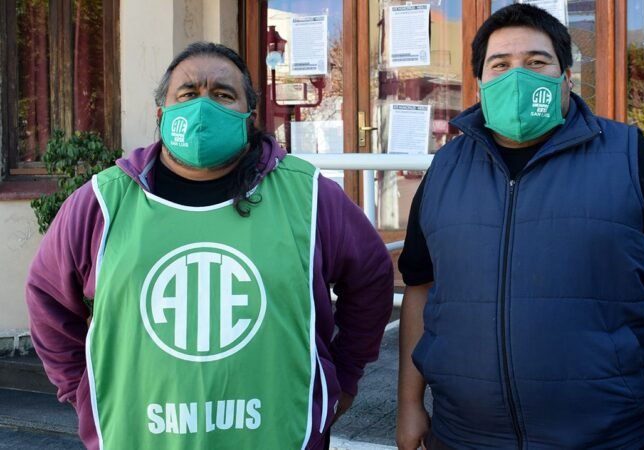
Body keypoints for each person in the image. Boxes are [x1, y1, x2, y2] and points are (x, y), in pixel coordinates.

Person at [26, 42, 394, 450]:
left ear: (249, 116)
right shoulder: (102, 202)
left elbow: (372, 276)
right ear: (160, 113)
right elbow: (48, 297)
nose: (204, 107)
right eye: (188, 93)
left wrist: (342, 376)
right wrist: (83, 392)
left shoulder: (308, 197)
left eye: (223, 94)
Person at [396, 4, 644, 449]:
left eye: (536, 62)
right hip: (463, 438)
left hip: (612, 440)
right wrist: (409, 405)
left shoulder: (632, 158)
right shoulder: (445, 169)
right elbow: (421, 287)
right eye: (500, 65)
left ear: (566, 76)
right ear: (481, 84)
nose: (518, 76)